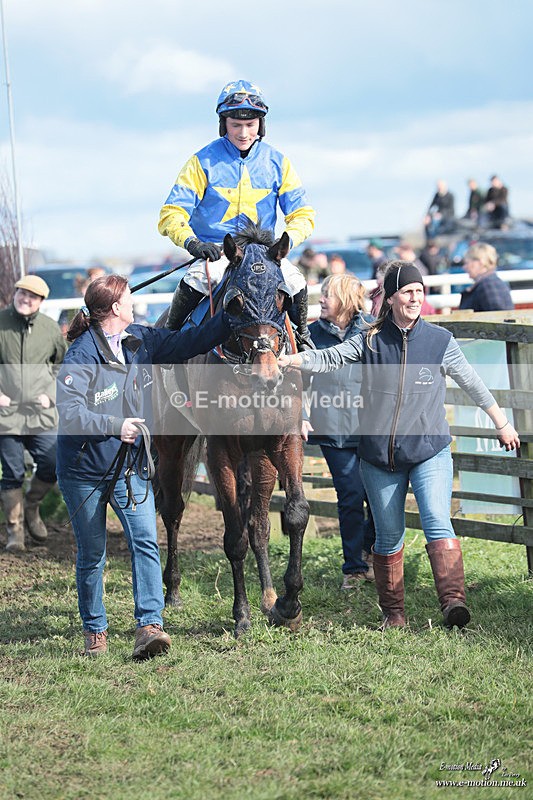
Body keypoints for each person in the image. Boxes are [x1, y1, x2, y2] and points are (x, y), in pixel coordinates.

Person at [278, 261, 520, 630]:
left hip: (429, 450)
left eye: (419, 291)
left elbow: (472, 383)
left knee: (437, 520)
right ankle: (394, 614)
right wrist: (291, 359)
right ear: (391, 298)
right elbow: (329, 358)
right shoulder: (370, 340)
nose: (415, 298)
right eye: (407, 291)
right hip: (378, 457)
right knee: (389, 535)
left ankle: (453, 603)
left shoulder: (439, 341)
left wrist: (501, 423)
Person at [56, 274, 235, 659]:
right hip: (84, 471)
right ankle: (95, 631)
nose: (134, 302)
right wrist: (114, 425)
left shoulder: (141, 339)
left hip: (129, 468)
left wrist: (230, 316)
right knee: (93, 554)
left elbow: (189, 342)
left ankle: (150, 626)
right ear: (115, 307)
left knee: (145, 543)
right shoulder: (82, 355)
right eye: (128, 297)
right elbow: (69, 414)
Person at [158, 79, 315, 349]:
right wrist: (193, 243)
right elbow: (171, 213)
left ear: (261, 125)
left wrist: (285, 242)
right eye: (236, 125)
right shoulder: (201, 161)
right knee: (197, 279)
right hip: (219, 253)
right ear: (223, 124)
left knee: (295, 281)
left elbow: (302, 214)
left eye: (250, 125)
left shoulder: (278, 162)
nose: (243, 133)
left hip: (264, 255)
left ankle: (303, 341)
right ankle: (168, 342)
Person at [303, 274, 375, 588]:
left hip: (370, 427)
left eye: (327, 295)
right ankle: (354, 568)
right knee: (350, 494)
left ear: (345, 299)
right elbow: (300, 380)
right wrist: (302, 415)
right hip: (332, 428)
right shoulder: (311, 334)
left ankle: (372, 552)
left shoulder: (371, 330)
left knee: (378, 495)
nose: (321, 300)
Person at [0, 275, 67, 552]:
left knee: (53, 462)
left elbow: (63, 366)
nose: (25, 299)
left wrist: (50, 394)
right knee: (12, 472)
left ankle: (32, 505)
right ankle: (14, 532)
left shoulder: (50, 329)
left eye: (32, 296)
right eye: (22, 293)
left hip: (41, 413)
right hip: (7, 414)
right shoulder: (1, 323)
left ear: (41, 301)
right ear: (14, 294)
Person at [459, 242, 514, 312]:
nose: (464, 267)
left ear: (480, 262)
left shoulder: (488, 285)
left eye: (467, 263)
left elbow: (497, 314)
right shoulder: (491, 283)